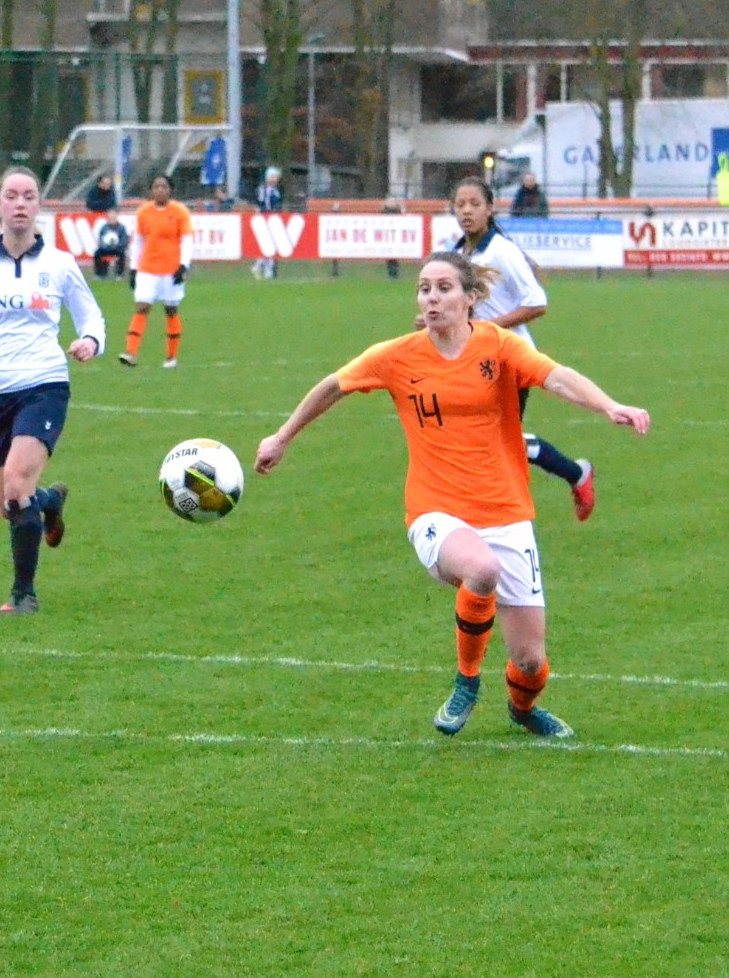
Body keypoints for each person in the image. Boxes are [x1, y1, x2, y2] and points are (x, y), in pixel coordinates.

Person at [253, 252, 649, 738]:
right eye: (424, 289)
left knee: (530, 661)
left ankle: (522, 711)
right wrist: (282, 436)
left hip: (505, 512)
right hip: (435, 511)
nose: (431, 298)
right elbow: (332, 386)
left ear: (471, 299)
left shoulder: (498, 346)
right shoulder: (397, 355)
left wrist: (609, 405)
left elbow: (557, 376)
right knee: (481, 569)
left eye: (443, 288)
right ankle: (466, 682)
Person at [0, 166, 105, 615]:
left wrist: (90, 341)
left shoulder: (59, 265)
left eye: (28, 196)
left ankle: (23, 593)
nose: (19, 204)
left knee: (16, 485)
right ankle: (50, 503)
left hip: (44, 384)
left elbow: (92, 318)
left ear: (38, 206)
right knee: (9, 505)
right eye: (11, 195)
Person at [445, 176, 597, 521]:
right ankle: (575, 474)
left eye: (474, 204)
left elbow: (537, 302)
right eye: (460, 204)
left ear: (490, 208)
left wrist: (487, 330)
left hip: (511, 361)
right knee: (488, 440)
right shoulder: (458, 253)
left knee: (489, 442)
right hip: (475, 361)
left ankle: (489, 512)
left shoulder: (502, 251)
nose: (467, 211)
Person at [124, 173, 194, 369]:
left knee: (171, 310)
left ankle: (171, 357)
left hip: (171, 270)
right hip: (148, 269)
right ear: (151, 190)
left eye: (164, 186)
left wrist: (183, 266)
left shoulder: (180, 212)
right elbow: (137, 242)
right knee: (142, 306)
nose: (160, 190)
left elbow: (187, 240)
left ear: (170, 190)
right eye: (156, 187)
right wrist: (133, 269)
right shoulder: (143, 213)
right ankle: (131, 353)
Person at [254, 167, 285, 280]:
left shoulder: (276, 190)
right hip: (265, 219)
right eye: (274, 176)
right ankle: (261, 266)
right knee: (268, 244)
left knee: (272, 245)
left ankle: (266, 268)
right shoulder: (263, 189)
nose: (276, 179)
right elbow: (261, 203)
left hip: (273, 219)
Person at [92, 208, 129, 280]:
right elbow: (101, 240)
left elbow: (124, 240)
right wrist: (105, 246)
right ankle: (100, 274)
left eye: (113, 217)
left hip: (117, 248)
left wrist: (117, 246)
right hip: (106, 248)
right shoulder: (104, 227)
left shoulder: (122, 228)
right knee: (97, 253)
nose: (112, 218)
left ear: (116, 217)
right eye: (110, 217)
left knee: (122, 253)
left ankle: (119, 274)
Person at [383, 196, 406, 279]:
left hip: (396, 237)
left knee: (395, 255)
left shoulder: (397, 212)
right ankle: (391, 272)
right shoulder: (385, 212)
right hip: (388, 237)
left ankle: (394, 273)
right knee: (390, 256)